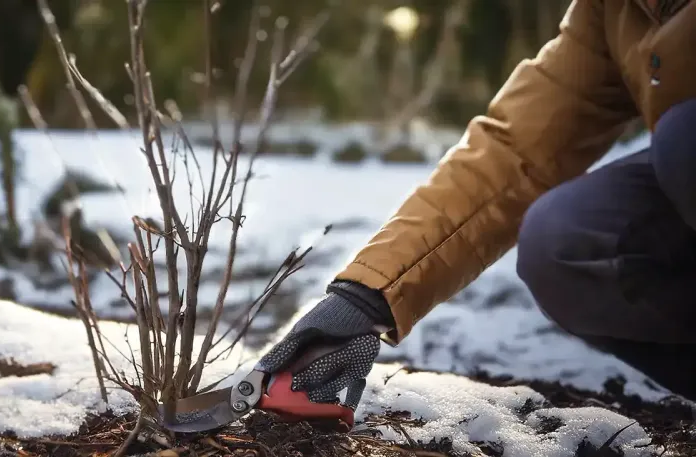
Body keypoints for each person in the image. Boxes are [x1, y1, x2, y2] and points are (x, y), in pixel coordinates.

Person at [255, 0, 696, 409]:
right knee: (564, 241)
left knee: (684, 141)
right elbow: (515, 150)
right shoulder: (612, 10)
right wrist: (367, 296)